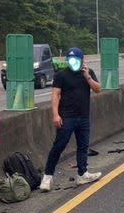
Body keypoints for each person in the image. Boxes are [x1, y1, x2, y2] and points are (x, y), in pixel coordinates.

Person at [40, 47, 102, 191]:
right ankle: (48, 177)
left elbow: (98, 89)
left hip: (84, 116)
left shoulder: (88, 73)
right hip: (66, 117)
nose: (73, 62)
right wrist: (55, 114)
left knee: (83, 146)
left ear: (82, 60)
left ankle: (82, 174)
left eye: (76, 60)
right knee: (59, 146)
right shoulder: (61, 75)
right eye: (71, 60)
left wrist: (87, 76)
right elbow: (55, 95)